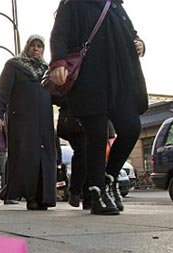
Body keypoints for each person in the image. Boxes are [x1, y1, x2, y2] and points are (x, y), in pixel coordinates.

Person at [49, 0, 148, 215]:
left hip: (119, 80)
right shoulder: (72, 4)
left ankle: (108, 179)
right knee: (95, 137)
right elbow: (59, 34)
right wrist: (58, 62)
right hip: (89, 80)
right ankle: (96, 192)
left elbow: (131, 32)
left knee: (131, 128)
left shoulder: (114, 5)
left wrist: (138, 42)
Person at [0, 34, 57, 211]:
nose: (36, 49)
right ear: (27, 47)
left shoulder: (48, 69)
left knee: (45, 155)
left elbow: (57, 94)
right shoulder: (14, 65)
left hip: (44, 120)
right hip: (22, 119)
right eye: (33, 45)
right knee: (26, 156)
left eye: (40, 46)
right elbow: (3, 91)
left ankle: (44, 197)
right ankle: (30, 196)